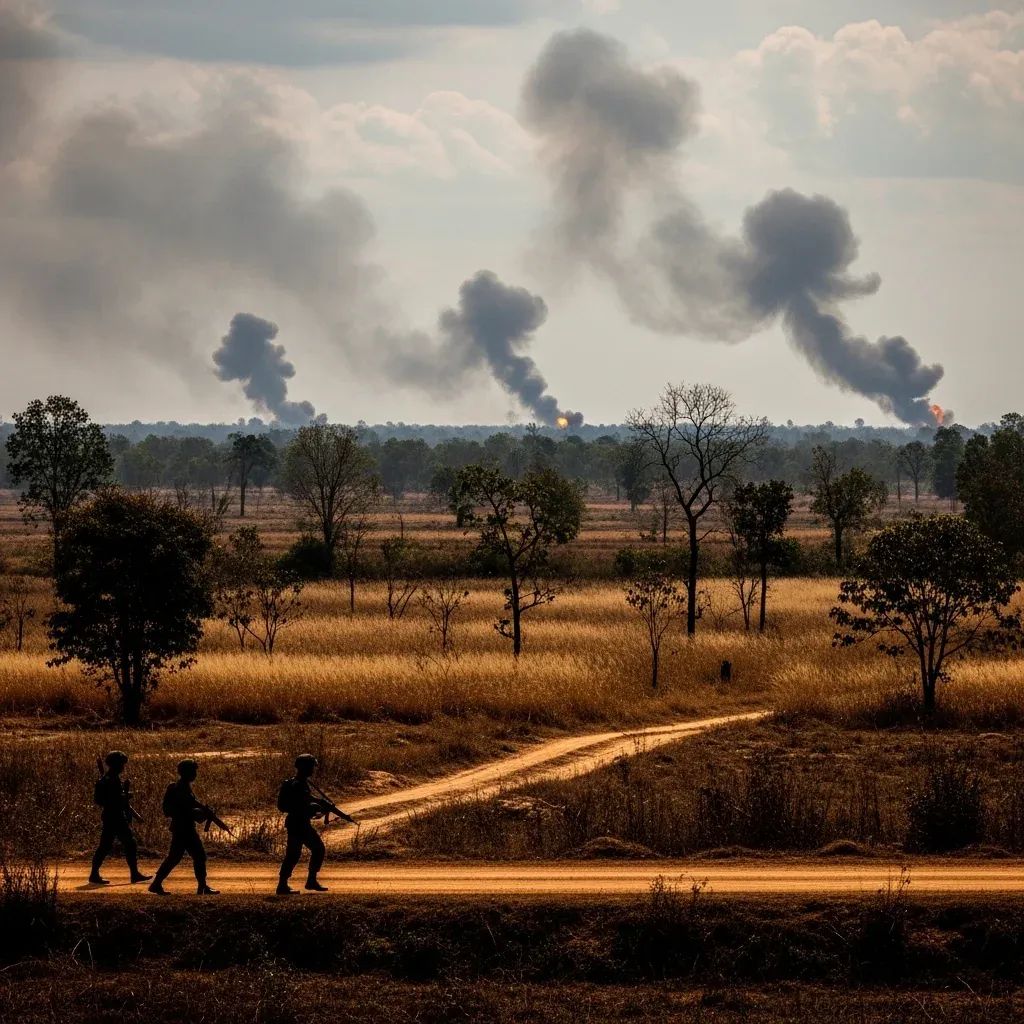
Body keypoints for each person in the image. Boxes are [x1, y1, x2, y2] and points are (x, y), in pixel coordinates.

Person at [149, 759, 219, 895]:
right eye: (193, 771)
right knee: (199, 856)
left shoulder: (182, 786)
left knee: (175, 857)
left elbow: (192, 803)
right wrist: (202, 813)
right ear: (187, 772)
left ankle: (157, 884)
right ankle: (202, 887)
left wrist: (203, 809)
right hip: (184, 828)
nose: (195, 774)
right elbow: (187, 808)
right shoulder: (181, 788)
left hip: (181, 827)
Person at [89, 750, 151, 886]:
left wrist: (124, 794)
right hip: (114, 816)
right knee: (129, 844)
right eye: (122, 764)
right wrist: (124, 795)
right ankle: (133, 874)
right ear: (117, 765)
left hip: (113, 816)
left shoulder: (111, 779)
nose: (123, 767)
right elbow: (113, 800)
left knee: (106, 846)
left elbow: (116, 799)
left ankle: (95, 874)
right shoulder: (110, 780)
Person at [277, 753, 329, 895]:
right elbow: (302, 802)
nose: (313, 769)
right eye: (311, 766)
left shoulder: (299, 783)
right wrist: (316, 806)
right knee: (316, 849)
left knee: (294, 854)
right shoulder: (298, 784)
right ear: (304, 767)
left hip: (298, 822)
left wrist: (319, 805)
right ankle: (306, 881)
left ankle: (284, 884)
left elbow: (306, 799)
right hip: (298, 823)